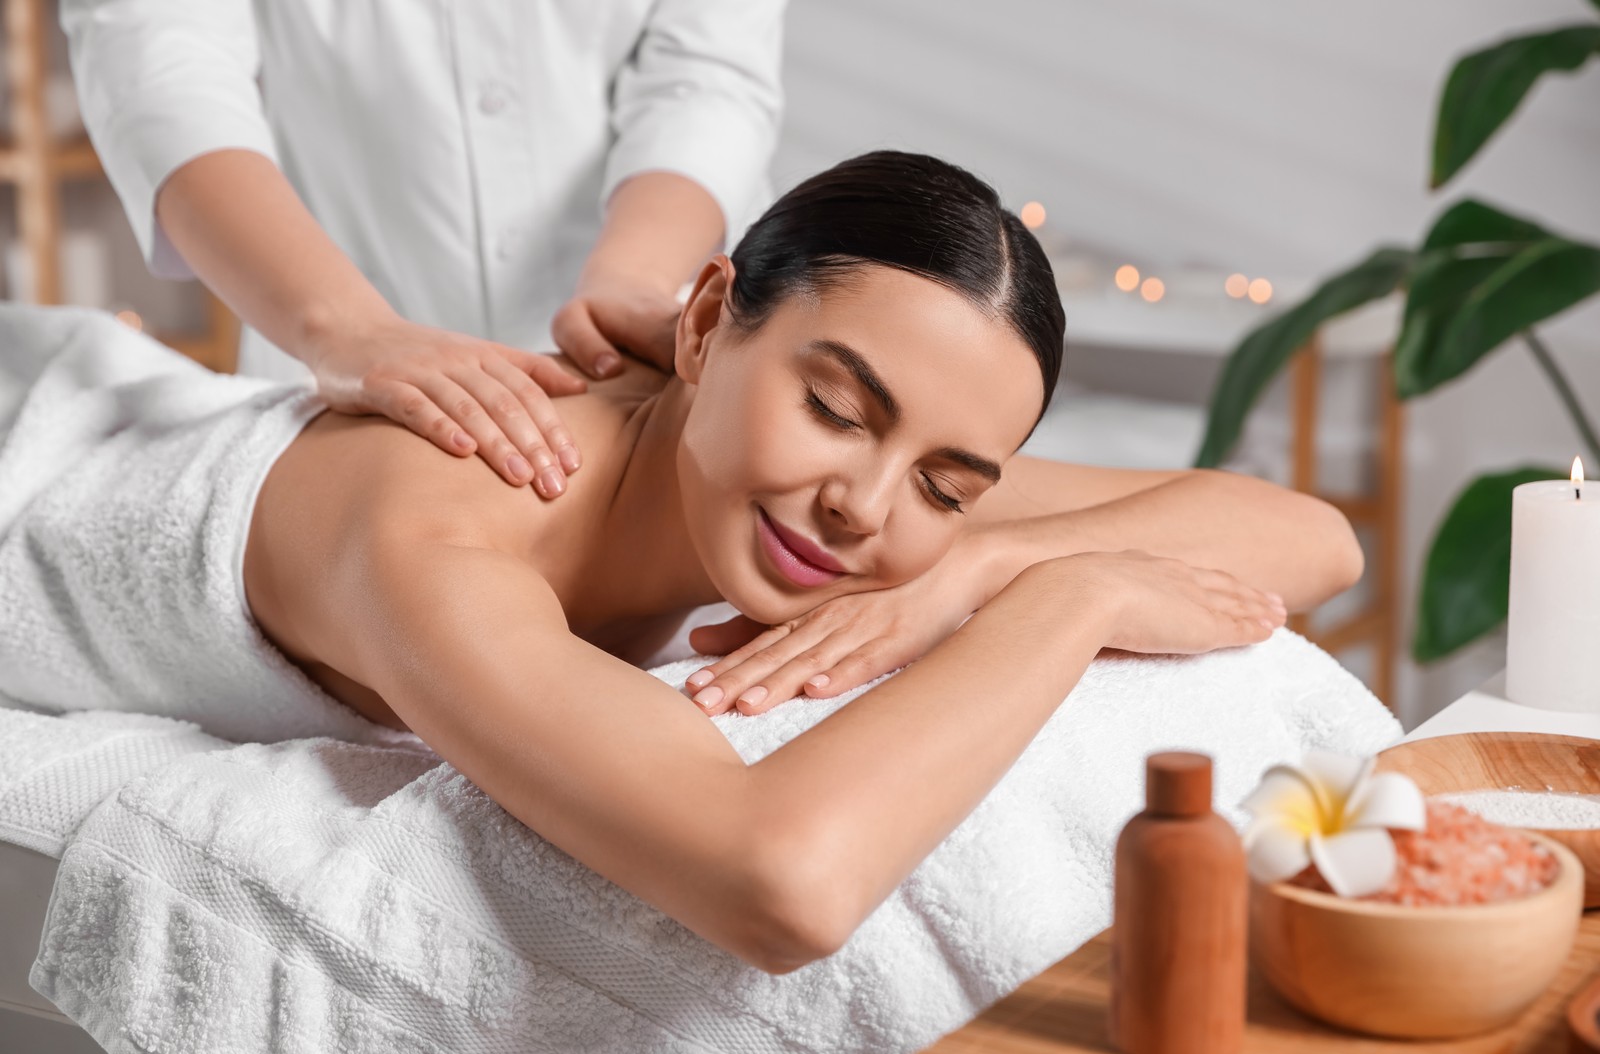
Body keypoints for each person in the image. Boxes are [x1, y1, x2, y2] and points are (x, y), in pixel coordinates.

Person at [5, 152, 1360, 976]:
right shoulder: (438, 534)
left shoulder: (836, 493)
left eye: (951, 483)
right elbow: (781, 886)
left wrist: (962, 575)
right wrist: (1072, 595)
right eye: (836, 407)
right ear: (708, 318)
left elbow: (1307, 533)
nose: (863, 509)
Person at [60, 0, 786, 497]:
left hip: (655, 346)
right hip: (342, 366)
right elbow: (160, 60)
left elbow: (707, 71)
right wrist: (345, 327)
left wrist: (638, 276)